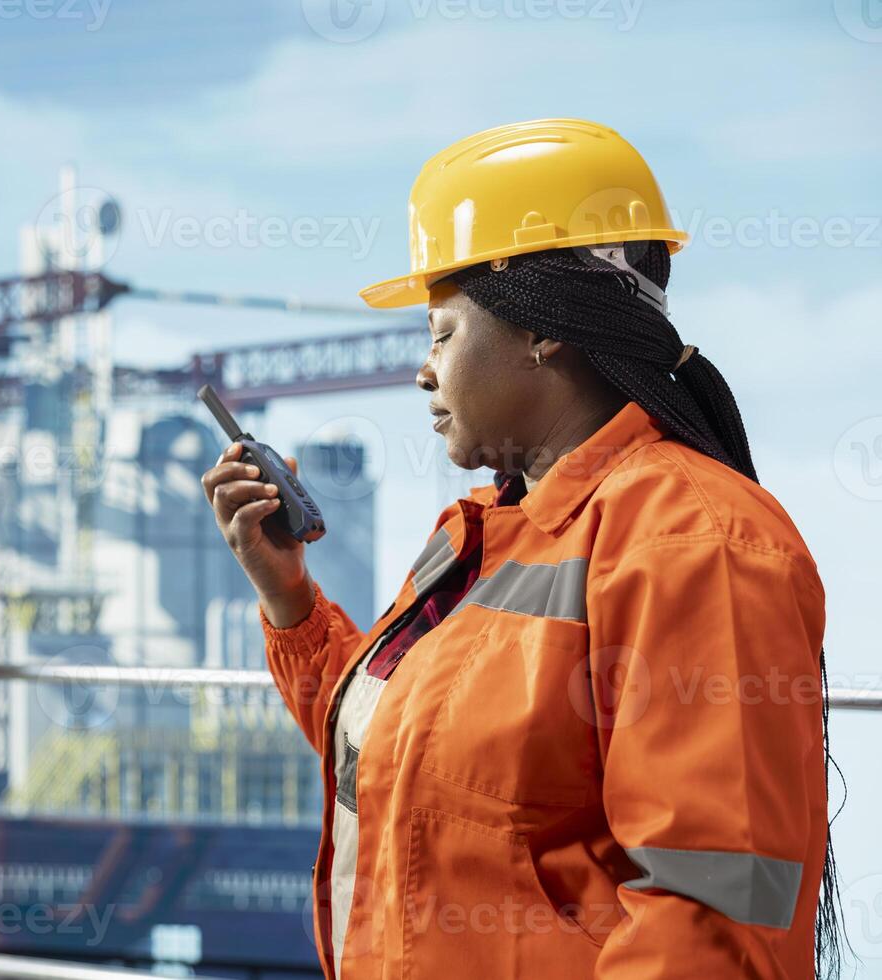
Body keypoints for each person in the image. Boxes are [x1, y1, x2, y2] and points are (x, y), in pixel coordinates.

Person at [202, 119, 840, 978]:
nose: (422, 371)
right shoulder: (479, 535)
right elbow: (393, 760)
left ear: (543, 328)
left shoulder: (693, 542)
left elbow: (712, 920)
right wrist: (290, 598)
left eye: (441, 334)